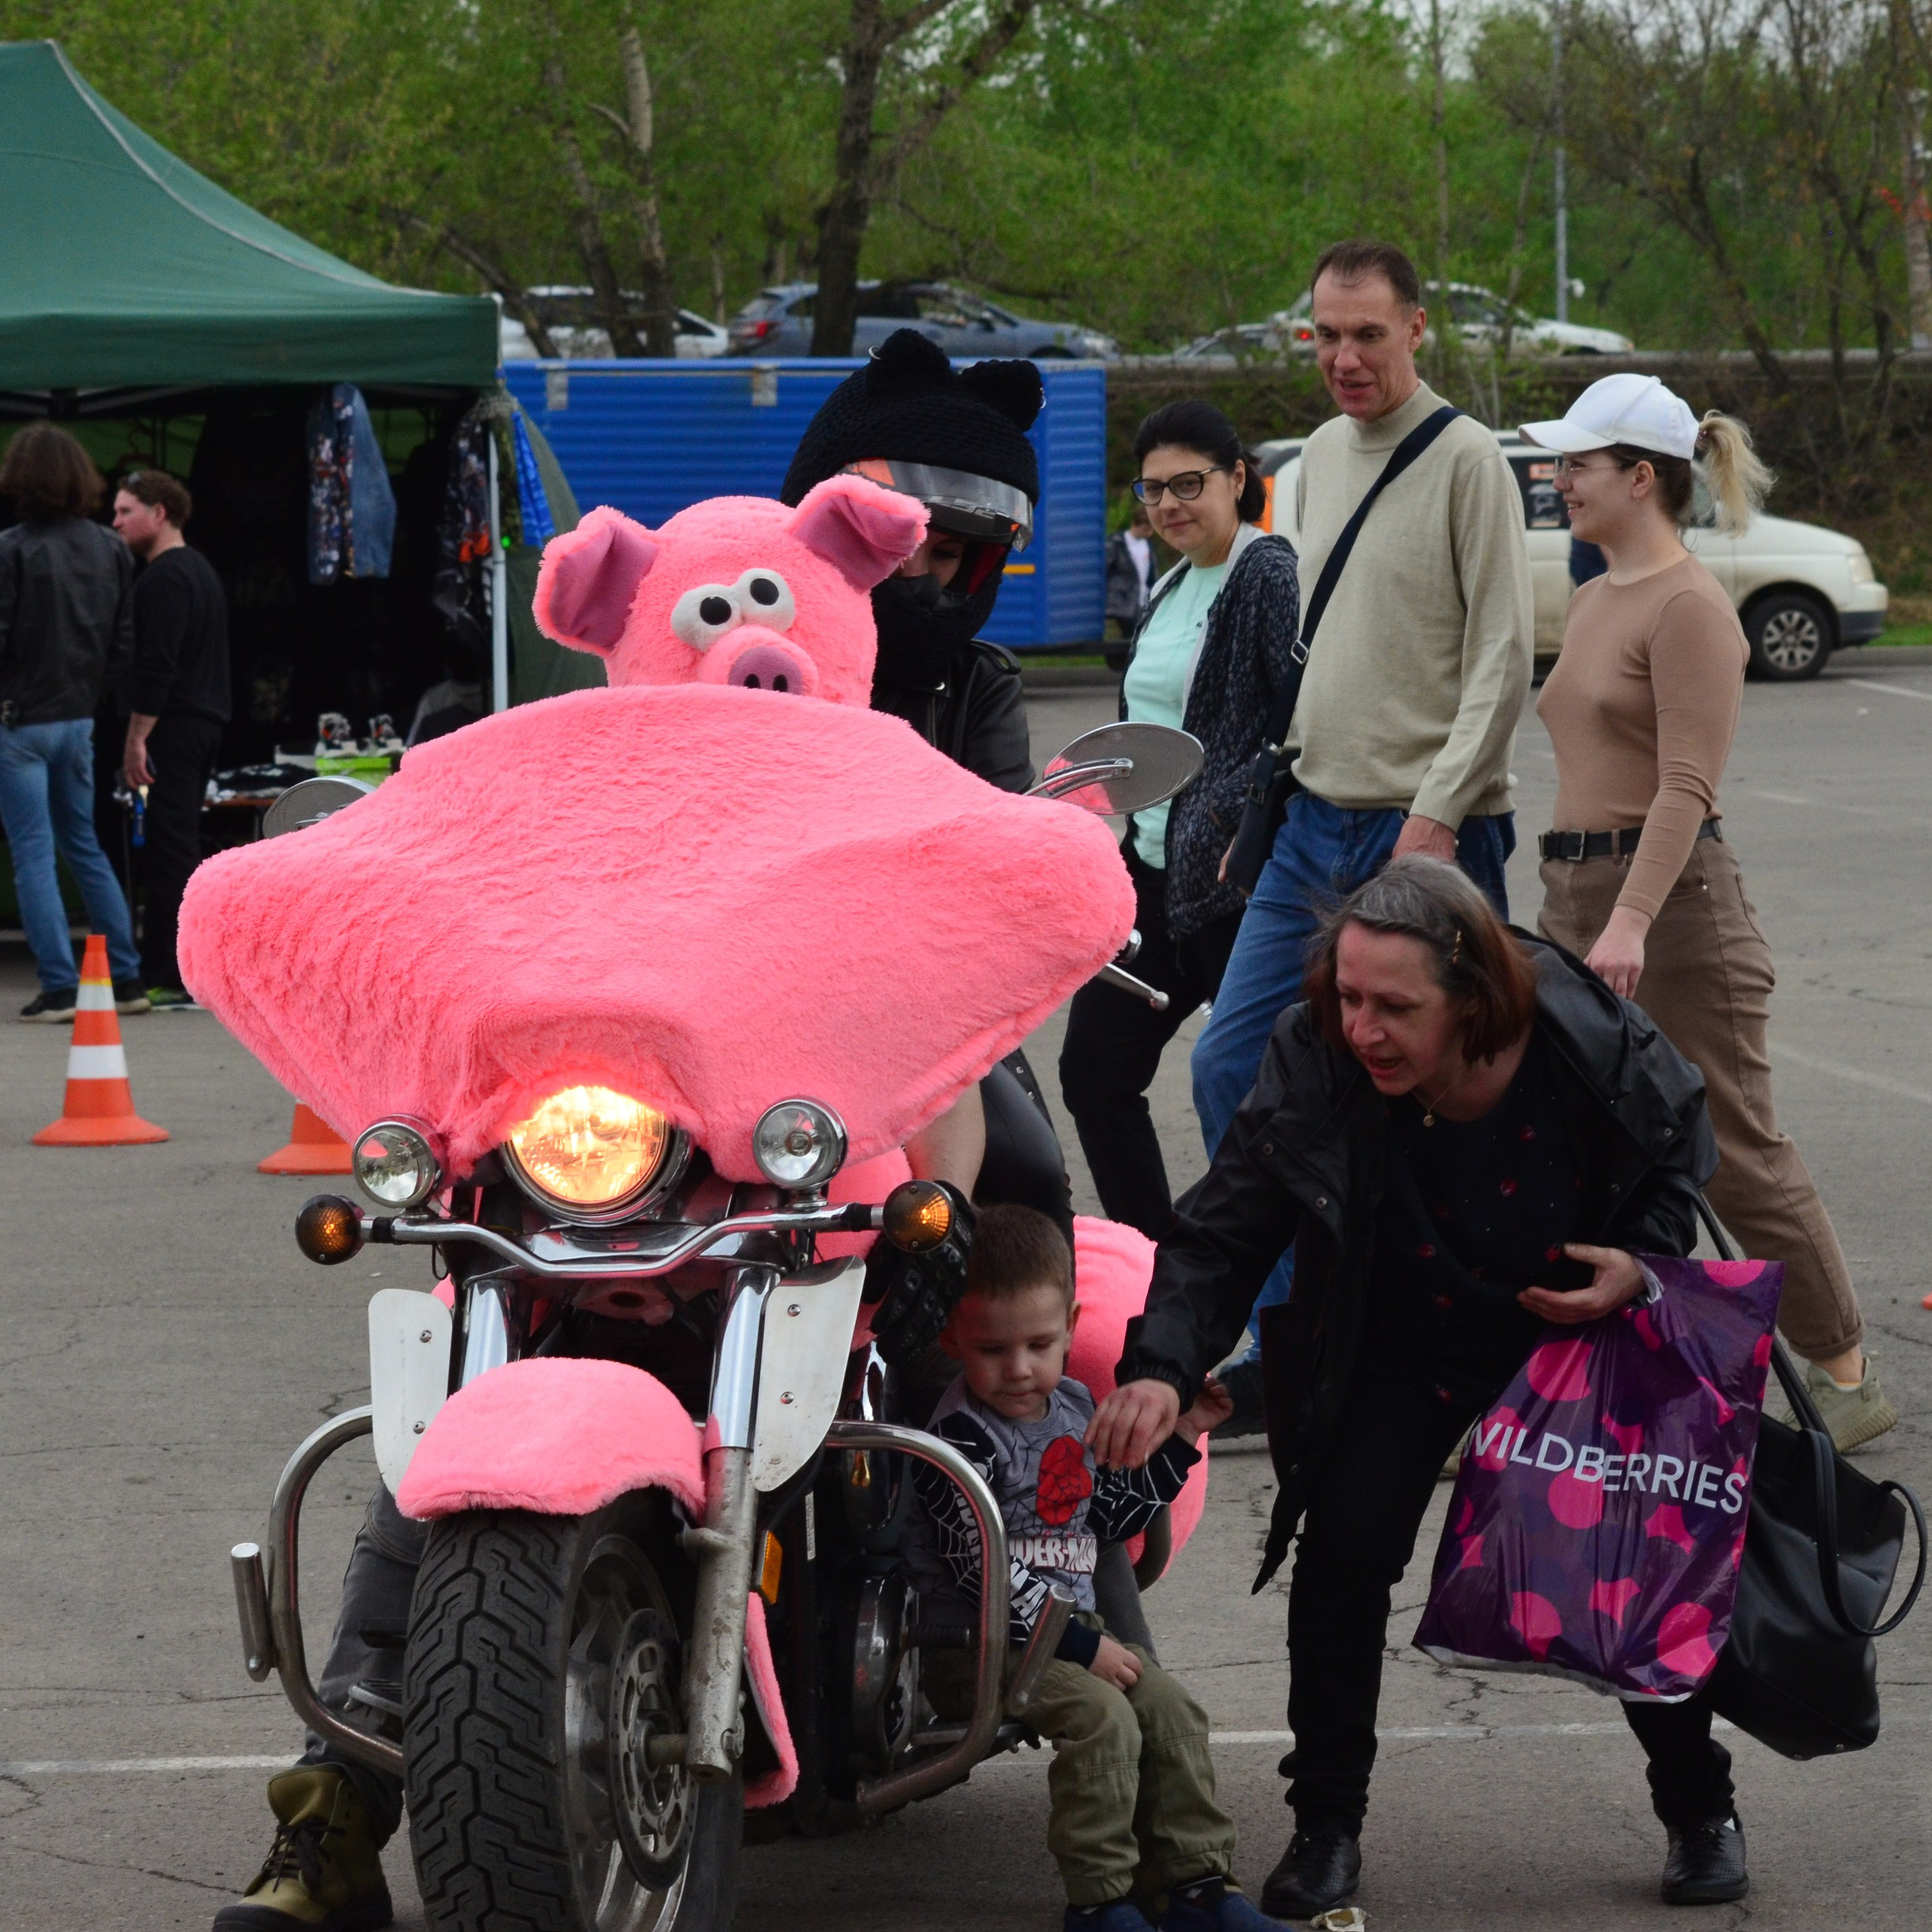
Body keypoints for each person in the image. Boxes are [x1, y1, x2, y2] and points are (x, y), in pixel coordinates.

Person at [1094, 860, 1750, 1914]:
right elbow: (1226, 1224)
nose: (1362, 1028)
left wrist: (1643, 1263)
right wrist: (1165, 1367)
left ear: (1475, 1001)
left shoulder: (1577, 1034)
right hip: (1398, 1337)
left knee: (1620, 1573)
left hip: (1565, 1335)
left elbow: (1678, 1147)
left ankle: (1696, 1804)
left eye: (1395, 1007)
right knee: (1345, 1552)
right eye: (1349, 997)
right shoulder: (1319, 1051)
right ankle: (1326, 1827)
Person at [1186, 239, 1534, 1420]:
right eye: (1325, 336)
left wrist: (1435, 819)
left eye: (1367, 335)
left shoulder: (1468, 458)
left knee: (1433, 1098)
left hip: (1427, 835)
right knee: (1234, 1061)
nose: (1344, 357)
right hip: (1311, 821)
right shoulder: (1311, 462)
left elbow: (1500, 656)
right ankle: (1297, 1330)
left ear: (1417, 330)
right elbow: (1311, 647)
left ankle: (1427, 1340)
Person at [1523, 373, 1894, 1452]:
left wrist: (1631, 919)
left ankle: (1844, 1369)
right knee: (1579, 1139)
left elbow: (1686, 785)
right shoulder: (1594, 596)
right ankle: (1584, 1370)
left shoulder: (1690, 608)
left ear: (1643, 479)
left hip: (1672, 905)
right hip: (1575, 891)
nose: (1558, 483)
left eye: (1578, 466)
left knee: (1731, 1144)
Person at [911, 1204, 1285, 1932]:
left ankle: (1196, 1887)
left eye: (1039, 1344)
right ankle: (1101, 1900)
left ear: (1072, 1328)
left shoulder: (1073, 1407)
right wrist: (1083, 1645)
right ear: (953, 1338)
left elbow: (1107, 1521)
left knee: (1172, 1710)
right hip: (979, 1646)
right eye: (992, 1349)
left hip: (1073, 1635)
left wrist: (1181, 1439)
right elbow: (979, 1572)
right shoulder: (955, 1441)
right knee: (1105, 1720)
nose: (1019, 1368)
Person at [781, 326, 1070, 1236]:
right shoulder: (764, 663)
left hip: (924, 997)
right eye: (900, 546)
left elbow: (1006, 834)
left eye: (944, 556)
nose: (918, 570)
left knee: (1028, 1183)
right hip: (761, 983)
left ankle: (1003, 1370)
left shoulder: (980, 682)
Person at [1060, 402, 1299, 1240]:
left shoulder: (1264, 574)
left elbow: (1290, 723)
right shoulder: (1168, 583)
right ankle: (1156, 1267)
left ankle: (1273, 1275)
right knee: (1093, 1072)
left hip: (1232, 883)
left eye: (1188, 483)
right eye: (1153, 489)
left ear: (1239, 479)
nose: (1168, 505)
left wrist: (1236, 820)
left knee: (1248, 1086)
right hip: (1149, 874)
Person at [0, 423, 146, 1021]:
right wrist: (93, 696)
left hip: (20, 720)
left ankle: (60, 984)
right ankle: (129, 977)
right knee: (83, 843)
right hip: (77, 717)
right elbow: (123, 639)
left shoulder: (11, 548)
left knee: (33, 851)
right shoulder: (109, 547)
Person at [113, 469, 230, 1008]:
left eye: (125, 512)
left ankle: (176, 966)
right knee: (177, 840)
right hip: (203, 721)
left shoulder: (162, 579)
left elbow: (157, 665)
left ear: (159, 513)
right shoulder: (201, 570)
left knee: (169, 846)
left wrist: (137, 737)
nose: (115, 523)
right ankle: (182, 962)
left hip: (175, 725)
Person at [1104, 499, 1158, 638]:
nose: (1151, 532)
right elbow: (1106, 571)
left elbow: (1151, 574)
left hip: (1141, 602)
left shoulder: (1148, 545)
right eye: (1148, 528)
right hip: (1121, 605)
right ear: (1138, 525)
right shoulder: (1116, 543)